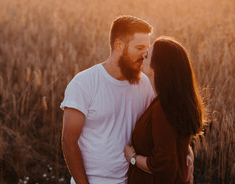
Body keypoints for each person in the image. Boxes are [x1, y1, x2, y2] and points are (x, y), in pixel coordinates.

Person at [60, 15, 155, 184]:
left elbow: (166, 125)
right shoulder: (84, 83)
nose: (145, 54)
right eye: (139, 47)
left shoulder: (146, 84)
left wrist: (187, 155)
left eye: (147, 48)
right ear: (119, 45)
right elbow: (69, 141)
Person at [124, 36, 205, 183]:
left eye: (147, 55)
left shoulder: (163, 109)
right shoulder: (174, 101)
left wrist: (133, 158)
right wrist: (188, 155)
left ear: (157, 68)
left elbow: (164, 167)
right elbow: (175, 144)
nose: (143, 55)